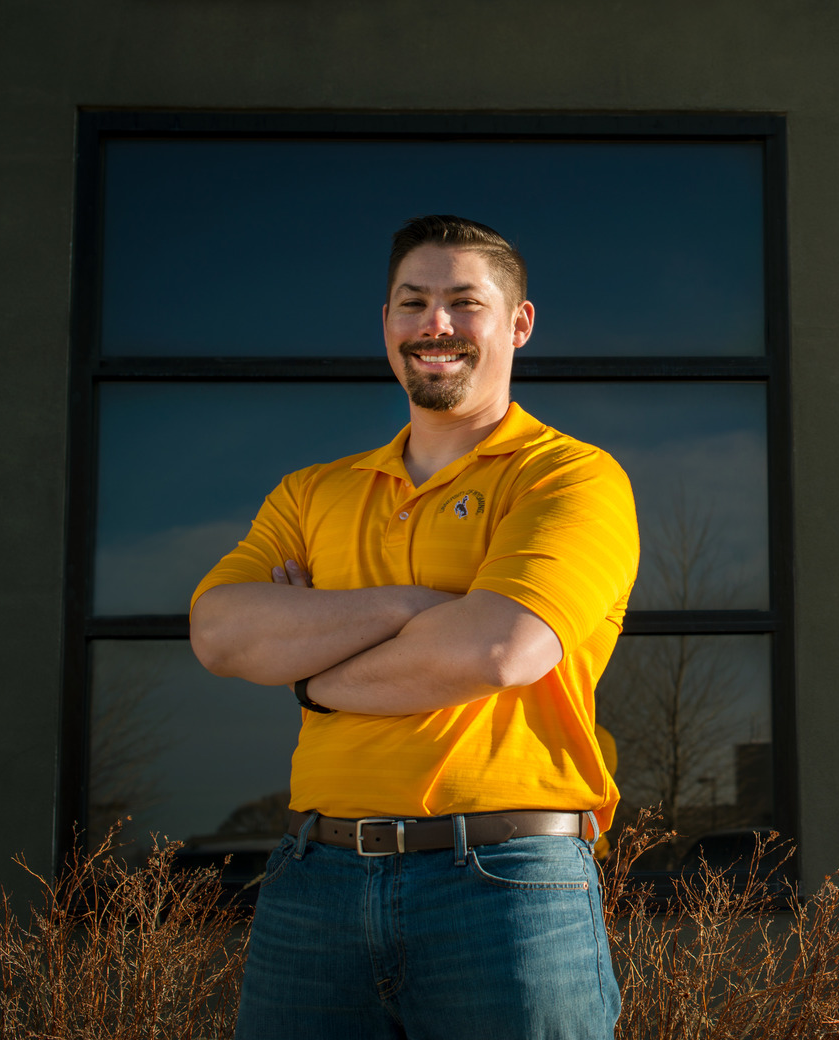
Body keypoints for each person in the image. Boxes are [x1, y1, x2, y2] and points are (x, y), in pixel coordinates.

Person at [189, 215, 638, 1040]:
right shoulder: (312, 493)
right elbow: (220, 634)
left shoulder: (572, 477)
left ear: (519, 324)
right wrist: (407, 607)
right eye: (413, 302)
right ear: (387, 323)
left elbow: (498, 649)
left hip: (505, 881)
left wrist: (311, 669)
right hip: (312, 880)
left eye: (465, 302)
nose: (435, 325)